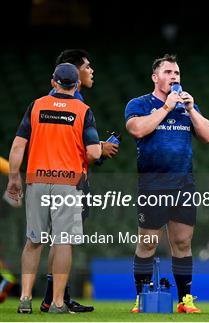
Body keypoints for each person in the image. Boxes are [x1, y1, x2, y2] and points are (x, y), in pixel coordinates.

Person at [7, 63, 102, 313]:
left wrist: (13, 178)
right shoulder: (83, 110)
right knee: (63, 243)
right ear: (77, 85)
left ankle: (25, 299)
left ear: (53, 82)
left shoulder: (36, 106)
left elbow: (18, 146)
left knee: (33, 241)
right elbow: (93, 152)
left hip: (36, 180)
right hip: (68, 184)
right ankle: (58, 303)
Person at [125, 54, 209, 314]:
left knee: (183, 243)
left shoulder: (187, 106)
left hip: (184, 184)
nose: (173, 77)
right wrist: (166, 108)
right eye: (167, 72)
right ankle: (142, 298)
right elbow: (137, 130)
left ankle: (185, 300)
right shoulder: (140, 103)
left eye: (176, 73)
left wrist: (190, 109)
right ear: (155, 77)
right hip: (152, 184)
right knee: (148, 242)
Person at [40, 49, 118, 313]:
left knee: (57, 240)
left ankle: (53, 296)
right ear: (74, 71)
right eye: (87, 66)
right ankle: (57, 299)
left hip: (47, 177)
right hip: (69, 178)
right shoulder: (75, 103)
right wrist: (99, 148)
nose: (91, 70)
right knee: (64, 240)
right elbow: (85, 150)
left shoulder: (48, 102)